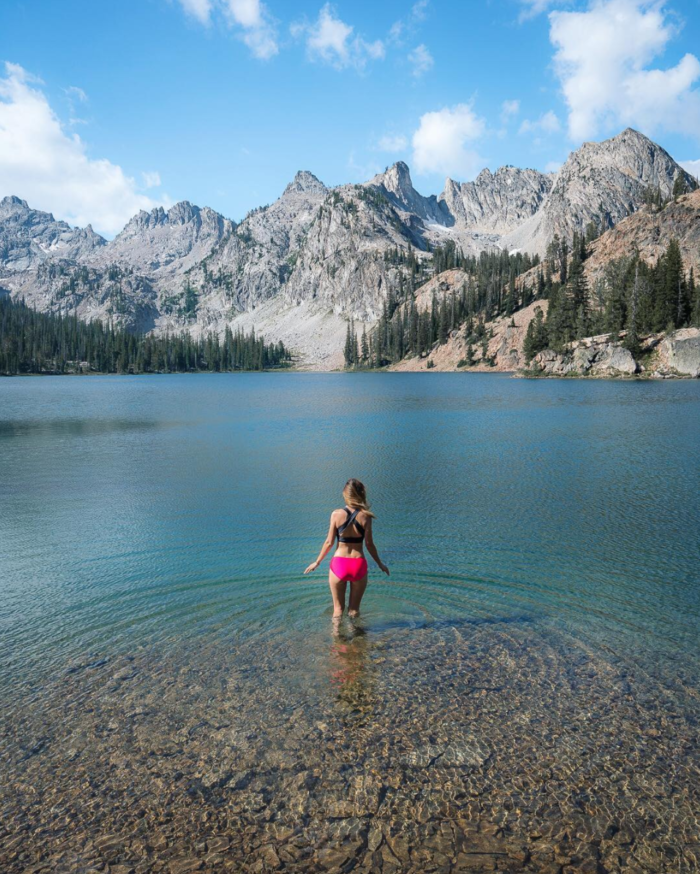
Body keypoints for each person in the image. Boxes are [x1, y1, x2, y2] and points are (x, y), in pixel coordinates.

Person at [304, 479, 389, 619]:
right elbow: (369, 544)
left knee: (338, 610)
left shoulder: (336, 514)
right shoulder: (366, 517)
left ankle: (337, 637)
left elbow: (329, 542)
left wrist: (317, 562)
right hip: (358, 564)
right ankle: (357, 638)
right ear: (361, 494)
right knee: (354, 610)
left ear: (345, 494)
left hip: (339, 564)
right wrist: (380, 563)